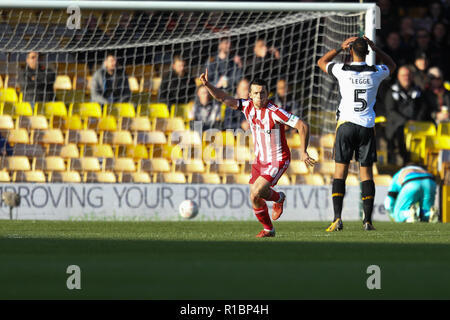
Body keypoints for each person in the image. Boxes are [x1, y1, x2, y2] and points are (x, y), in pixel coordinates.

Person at [199, 69, 315, 238]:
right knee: (254, 197)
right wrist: (208, 85)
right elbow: (223, 98)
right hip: (260, 160)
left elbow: (302, 126)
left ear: (268, 94)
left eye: (263, 93)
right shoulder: (246, 106)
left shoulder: (275, 111)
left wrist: (303, 151)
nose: (259, 97)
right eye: (256, 93)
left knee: (256, 191)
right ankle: (269, 228)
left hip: (278, 159)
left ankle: (278, 199)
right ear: (250, 94)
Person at [317, 36, 396, 231]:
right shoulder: (376, 72)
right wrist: (377, 48)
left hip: (345, 126)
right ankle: (367, 220)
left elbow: (321, 62)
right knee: (366, 174)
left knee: (340, 173)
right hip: (366, 127)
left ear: (350, 51)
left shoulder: (342, 70)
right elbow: (392, 64)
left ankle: (337, 218)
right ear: (368, 52)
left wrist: (338, 47)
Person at [384, 66, 427, 166]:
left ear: (412, 77)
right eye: (403, 75)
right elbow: (390, 111)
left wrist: (416, 120)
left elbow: (423, 108)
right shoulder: (392, 92)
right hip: (397, 126)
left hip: (415, 126)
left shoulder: (418, 91)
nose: (406, 77)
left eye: (408, 75)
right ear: (398, 77)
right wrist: (405, 121)